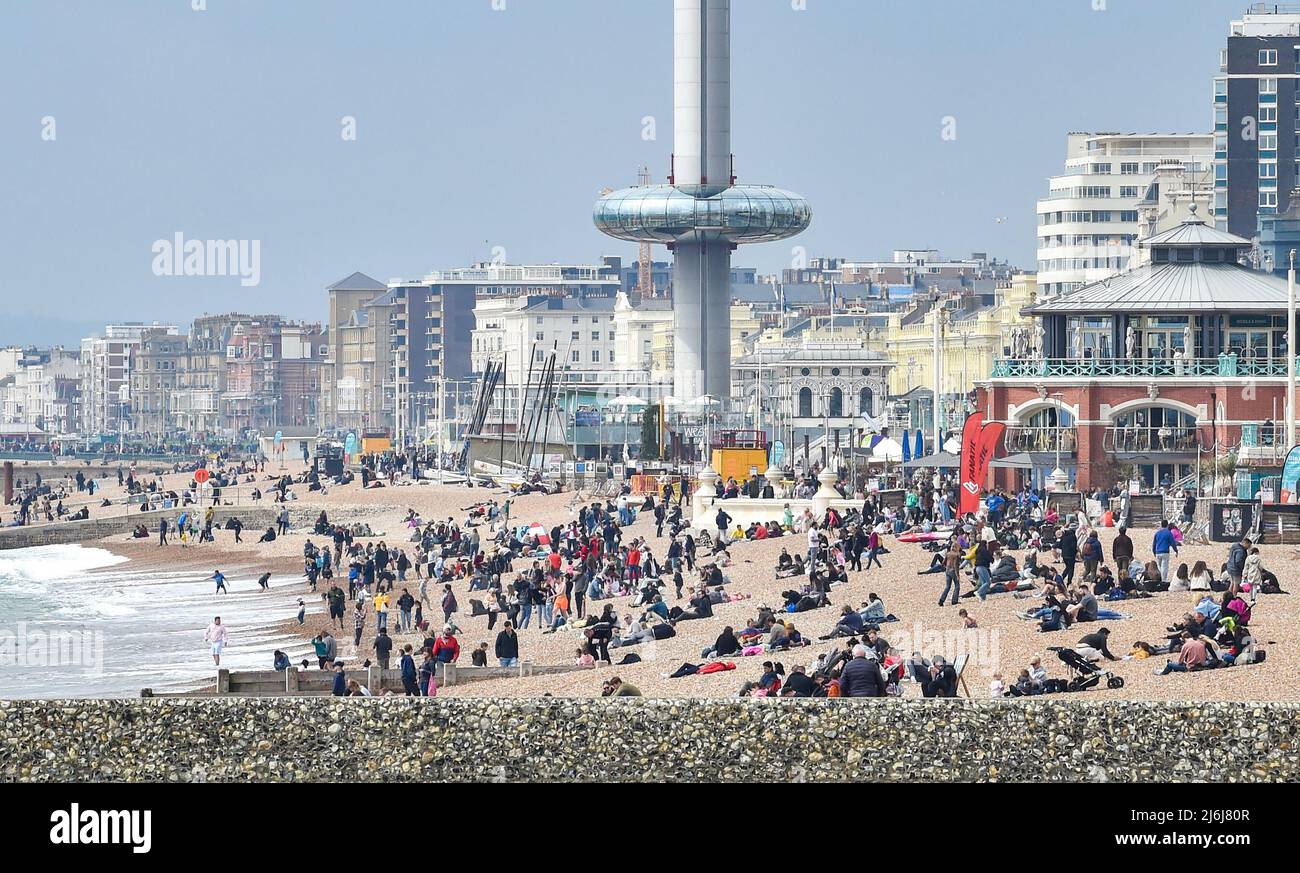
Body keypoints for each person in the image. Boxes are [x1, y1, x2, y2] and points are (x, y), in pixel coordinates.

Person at [1152, 519, 1178, 584]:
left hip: (1158, 551)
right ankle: (1163, 580)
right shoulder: (1169, 533)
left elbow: (1154, 544)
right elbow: (1173, 543)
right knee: (1164, 567)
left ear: (1161, 525)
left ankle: (1159, 579)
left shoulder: (1157, 533)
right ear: (1167, 525)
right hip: (1165, 551)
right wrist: (1176, 550)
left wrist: (1154, 551)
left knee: (1159, 566)